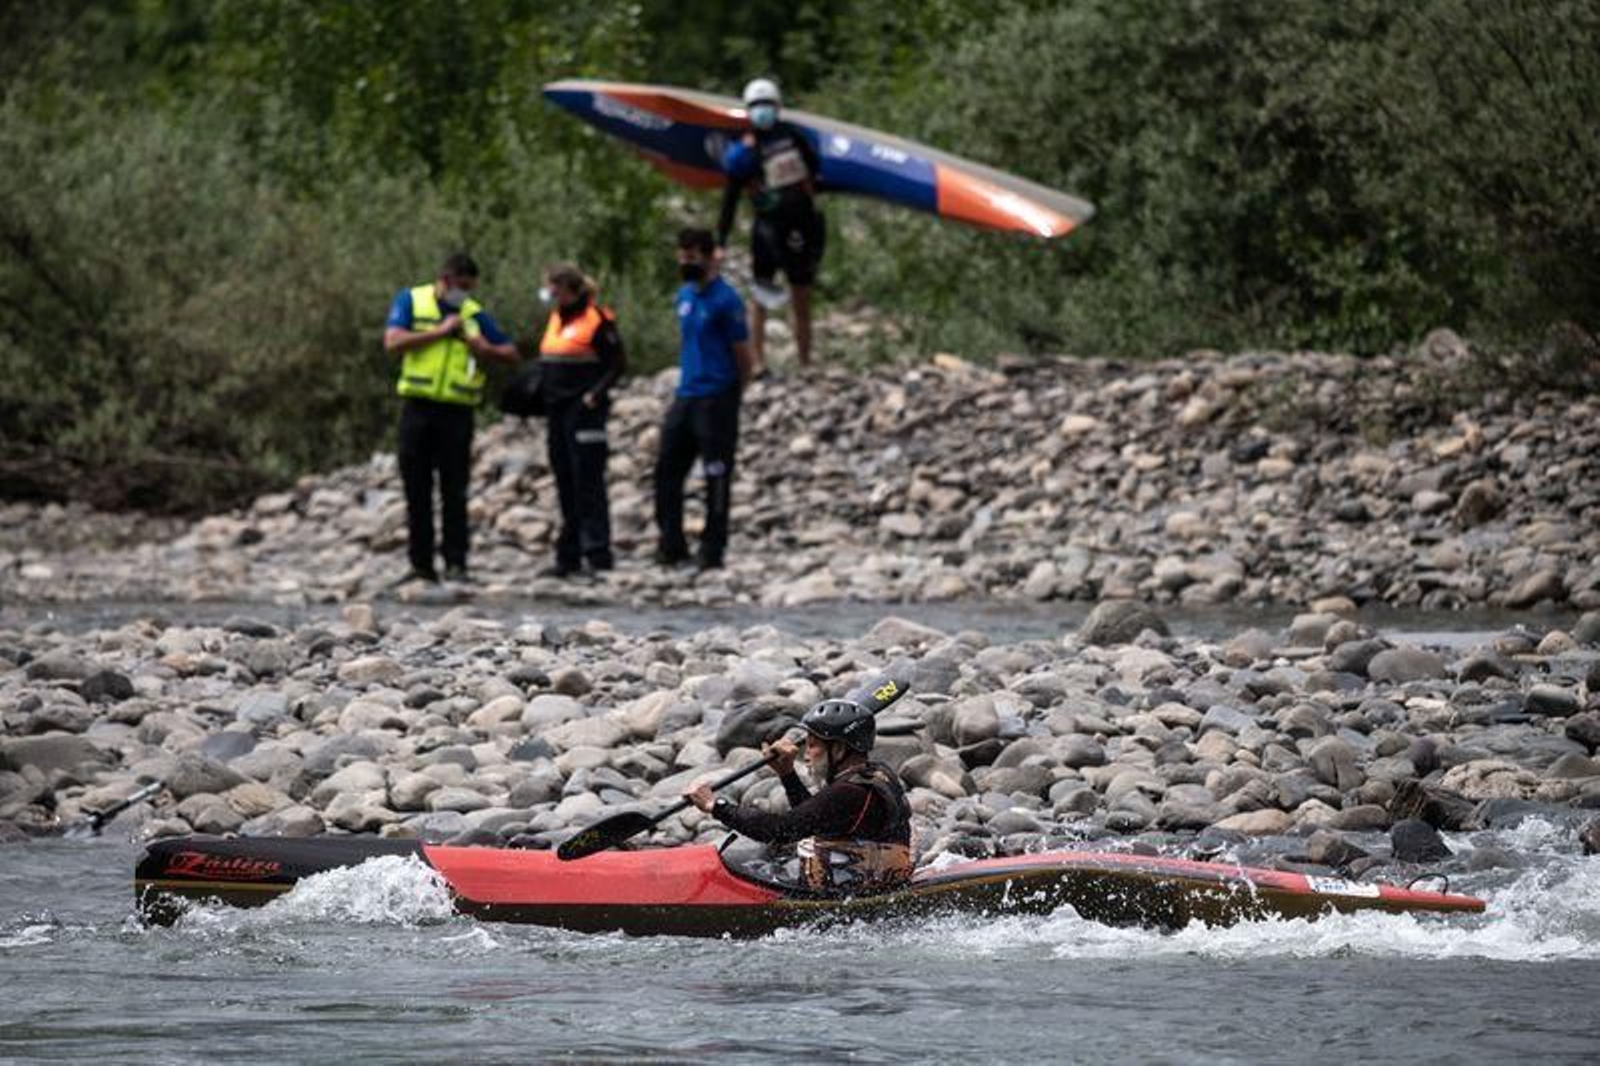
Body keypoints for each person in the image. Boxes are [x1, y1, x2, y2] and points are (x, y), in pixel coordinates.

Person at [684, 696, 914, 895]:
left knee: (751, 855)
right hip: (869, 880)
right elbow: (815, 821)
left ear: (839, 749)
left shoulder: (849, 792)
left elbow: (779, 830)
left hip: (847, 889)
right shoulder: (873, 774)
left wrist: (716, 806)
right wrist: (787, 774)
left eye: (813, 746)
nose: (806, 754)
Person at [383, 253, 518, 585]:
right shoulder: (412, 300)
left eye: (470, 289)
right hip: (417, 408)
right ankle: (421, 565)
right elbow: (393, 342)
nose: (464, 294)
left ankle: (456, 563)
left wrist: (481, 347)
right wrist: (441, 332)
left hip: (457, 413)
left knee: (454, 491)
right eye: (461, 287)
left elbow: (511, 353)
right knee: (417, 489)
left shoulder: (473, 314)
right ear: (444, 279)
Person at [654, 227, 753, 571]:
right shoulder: (683, 296)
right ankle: (671, 545)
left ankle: (713, 549)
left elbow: (743, 355)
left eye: (693, 254)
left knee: (716, 473)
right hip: (687, 394)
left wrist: (734, 392)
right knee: (667, 470)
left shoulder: (727, 300)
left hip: (718, 396)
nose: (686, 260)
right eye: (682, 254)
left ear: (710, 257)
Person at [716, 77, 824, 373]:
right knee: (760, 297)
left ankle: (805, 362)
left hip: (800, 226)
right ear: (748, 110)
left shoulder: (794, 138)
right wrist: (721, 240)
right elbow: (731, 197)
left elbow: (816, 171)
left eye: (767, 105)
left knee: (801, 294)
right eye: (756, 106)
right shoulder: (743, 153)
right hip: (767, 229)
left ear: (777, 107)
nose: (762, 111)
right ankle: (758, 362)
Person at [535, 263, 626, 578]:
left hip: (584, 412)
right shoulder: (556, 319)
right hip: (556, 411)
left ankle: (597, 552)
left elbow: (617, 363)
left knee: (587, 481)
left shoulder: (597, 319)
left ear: (569, 289)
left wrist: (594, 396)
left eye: (554, 289)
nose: (550, 294)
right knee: (564, 480)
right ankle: (568, 554)